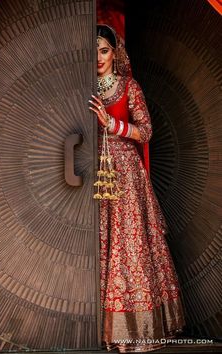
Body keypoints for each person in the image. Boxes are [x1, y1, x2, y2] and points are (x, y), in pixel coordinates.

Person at [89, 24, 186, 353]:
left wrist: (112, 124)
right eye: (94, 52)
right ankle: (97, 329)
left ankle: (135, 329)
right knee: (97, 247)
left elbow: (146, 132)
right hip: (94, 177)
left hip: (127, 177)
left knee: (128, 248)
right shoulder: (85, 88)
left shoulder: (129, 87)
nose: (98, 58)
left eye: (104, 50)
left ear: (115, 53)